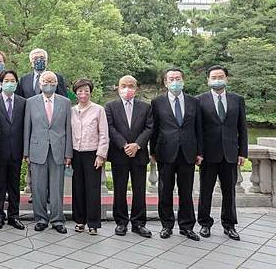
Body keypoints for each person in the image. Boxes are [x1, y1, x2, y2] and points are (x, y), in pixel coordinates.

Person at [150, 68, 203, 241]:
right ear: (165, 83)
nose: (175, 81)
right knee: (165, 190)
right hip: (165, 152)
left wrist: (200, 151)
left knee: (186, 192)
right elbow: (154, 129)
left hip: (188, 152)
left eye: (178, 78)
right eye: (171, 79)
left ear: (183, 80)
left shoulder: (194, 102)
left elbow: (199, 128)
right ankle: (166, 225)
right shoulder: (157, 103)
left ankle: (187, 226)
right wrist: (152, 151)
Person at [197, 65, 247, 241]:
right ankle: (204, 223)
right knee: (206, 190)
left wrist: (243, 152)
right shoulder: (200, 100)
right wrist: (199, 152)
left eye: (220, 76)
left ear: (227, 78)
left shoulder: (237, 100)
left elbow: (242, 128)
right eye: (213, 77)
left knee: (229, 191)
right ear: (208, 80)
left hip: (230, 153)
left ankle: (229, 224)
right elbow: (198, 130)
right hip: (208, 154)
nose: (217, 79)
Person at [24, 71, 72, 234]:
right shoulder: (30, 102)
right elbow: (27, 128)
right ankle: (41, 218)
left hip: (58, 149)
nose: (48, 84)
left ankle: (57, 219)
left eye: (52, 81)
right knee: (38, 187)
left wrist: (68, 153)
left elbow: (68, 129)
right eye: (45, 81)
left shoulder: (65, 102)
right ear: (40, 84)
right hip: (37, 148)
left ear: (57, 84)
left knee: (57, 187)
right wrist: (26, 152)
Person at [105, 75, 153, 238]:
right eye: (123, 86)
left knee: (139, 190)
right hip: (120, 154)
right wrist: (124, 145)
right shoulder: (110, 106)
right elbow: (110, 128)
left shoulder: (145, 107)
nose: (127, 89)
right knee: (120, 190)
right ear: (118, 88)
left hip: (139, 155)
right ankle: (121, 222)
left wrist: (137, 145)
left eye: (131, 86)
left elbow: (149, 128)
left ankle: (139, 223)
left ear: (136, 88)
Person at [0, 70, 26, 230]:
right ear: (1, 83)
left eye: (13, 80)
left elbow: (26, 127)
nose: (10, 83)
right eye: (6, 80)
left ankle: (14, 215)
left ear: (16, 83)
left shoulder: (23, 102)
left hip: (16, 150)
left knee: (14, 185)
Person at [70, 79, 108, 235]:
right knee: (77, 188)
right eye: (79, 91)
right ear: (75, 93)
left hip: (92, 153)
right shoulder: (71, 110)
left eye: (86, 90)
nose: (83, 93)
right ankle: (80, 221)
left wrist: (101, 155)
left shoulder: (98, 110)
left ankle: (93, 223)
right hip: (75, 153)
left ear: (90, 91)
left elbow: (104, 134)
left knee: (92, 189)